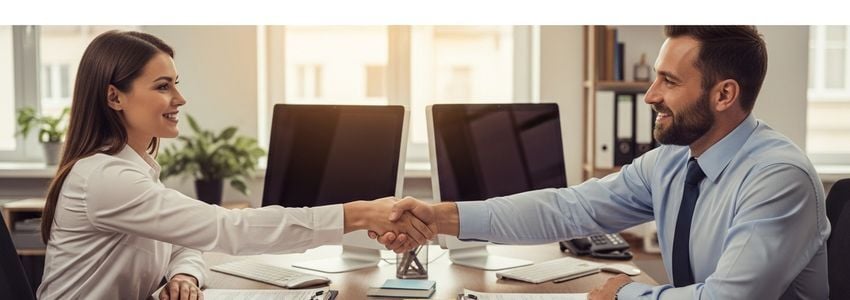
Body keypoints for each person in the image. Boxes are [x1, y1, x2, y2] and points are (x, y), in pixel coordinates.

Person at [375, 26, 830, 299]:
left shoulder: (776, 178)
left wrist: (626, 292)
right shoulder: (671, 161)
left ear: (724, 94)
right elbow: (568, 208)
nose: (651, 95)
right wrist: (442, 217)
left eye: (669, 81)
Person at [37, 30, 432, 300]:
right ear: (114, 97)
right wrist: (360, 213)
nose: (180, 98)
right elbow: (226, 230)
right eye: (162, 86)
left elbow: (183, 241)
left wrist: (185, 274)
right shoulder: (106, 178)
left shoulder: (136, 169)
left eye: (177, 82)